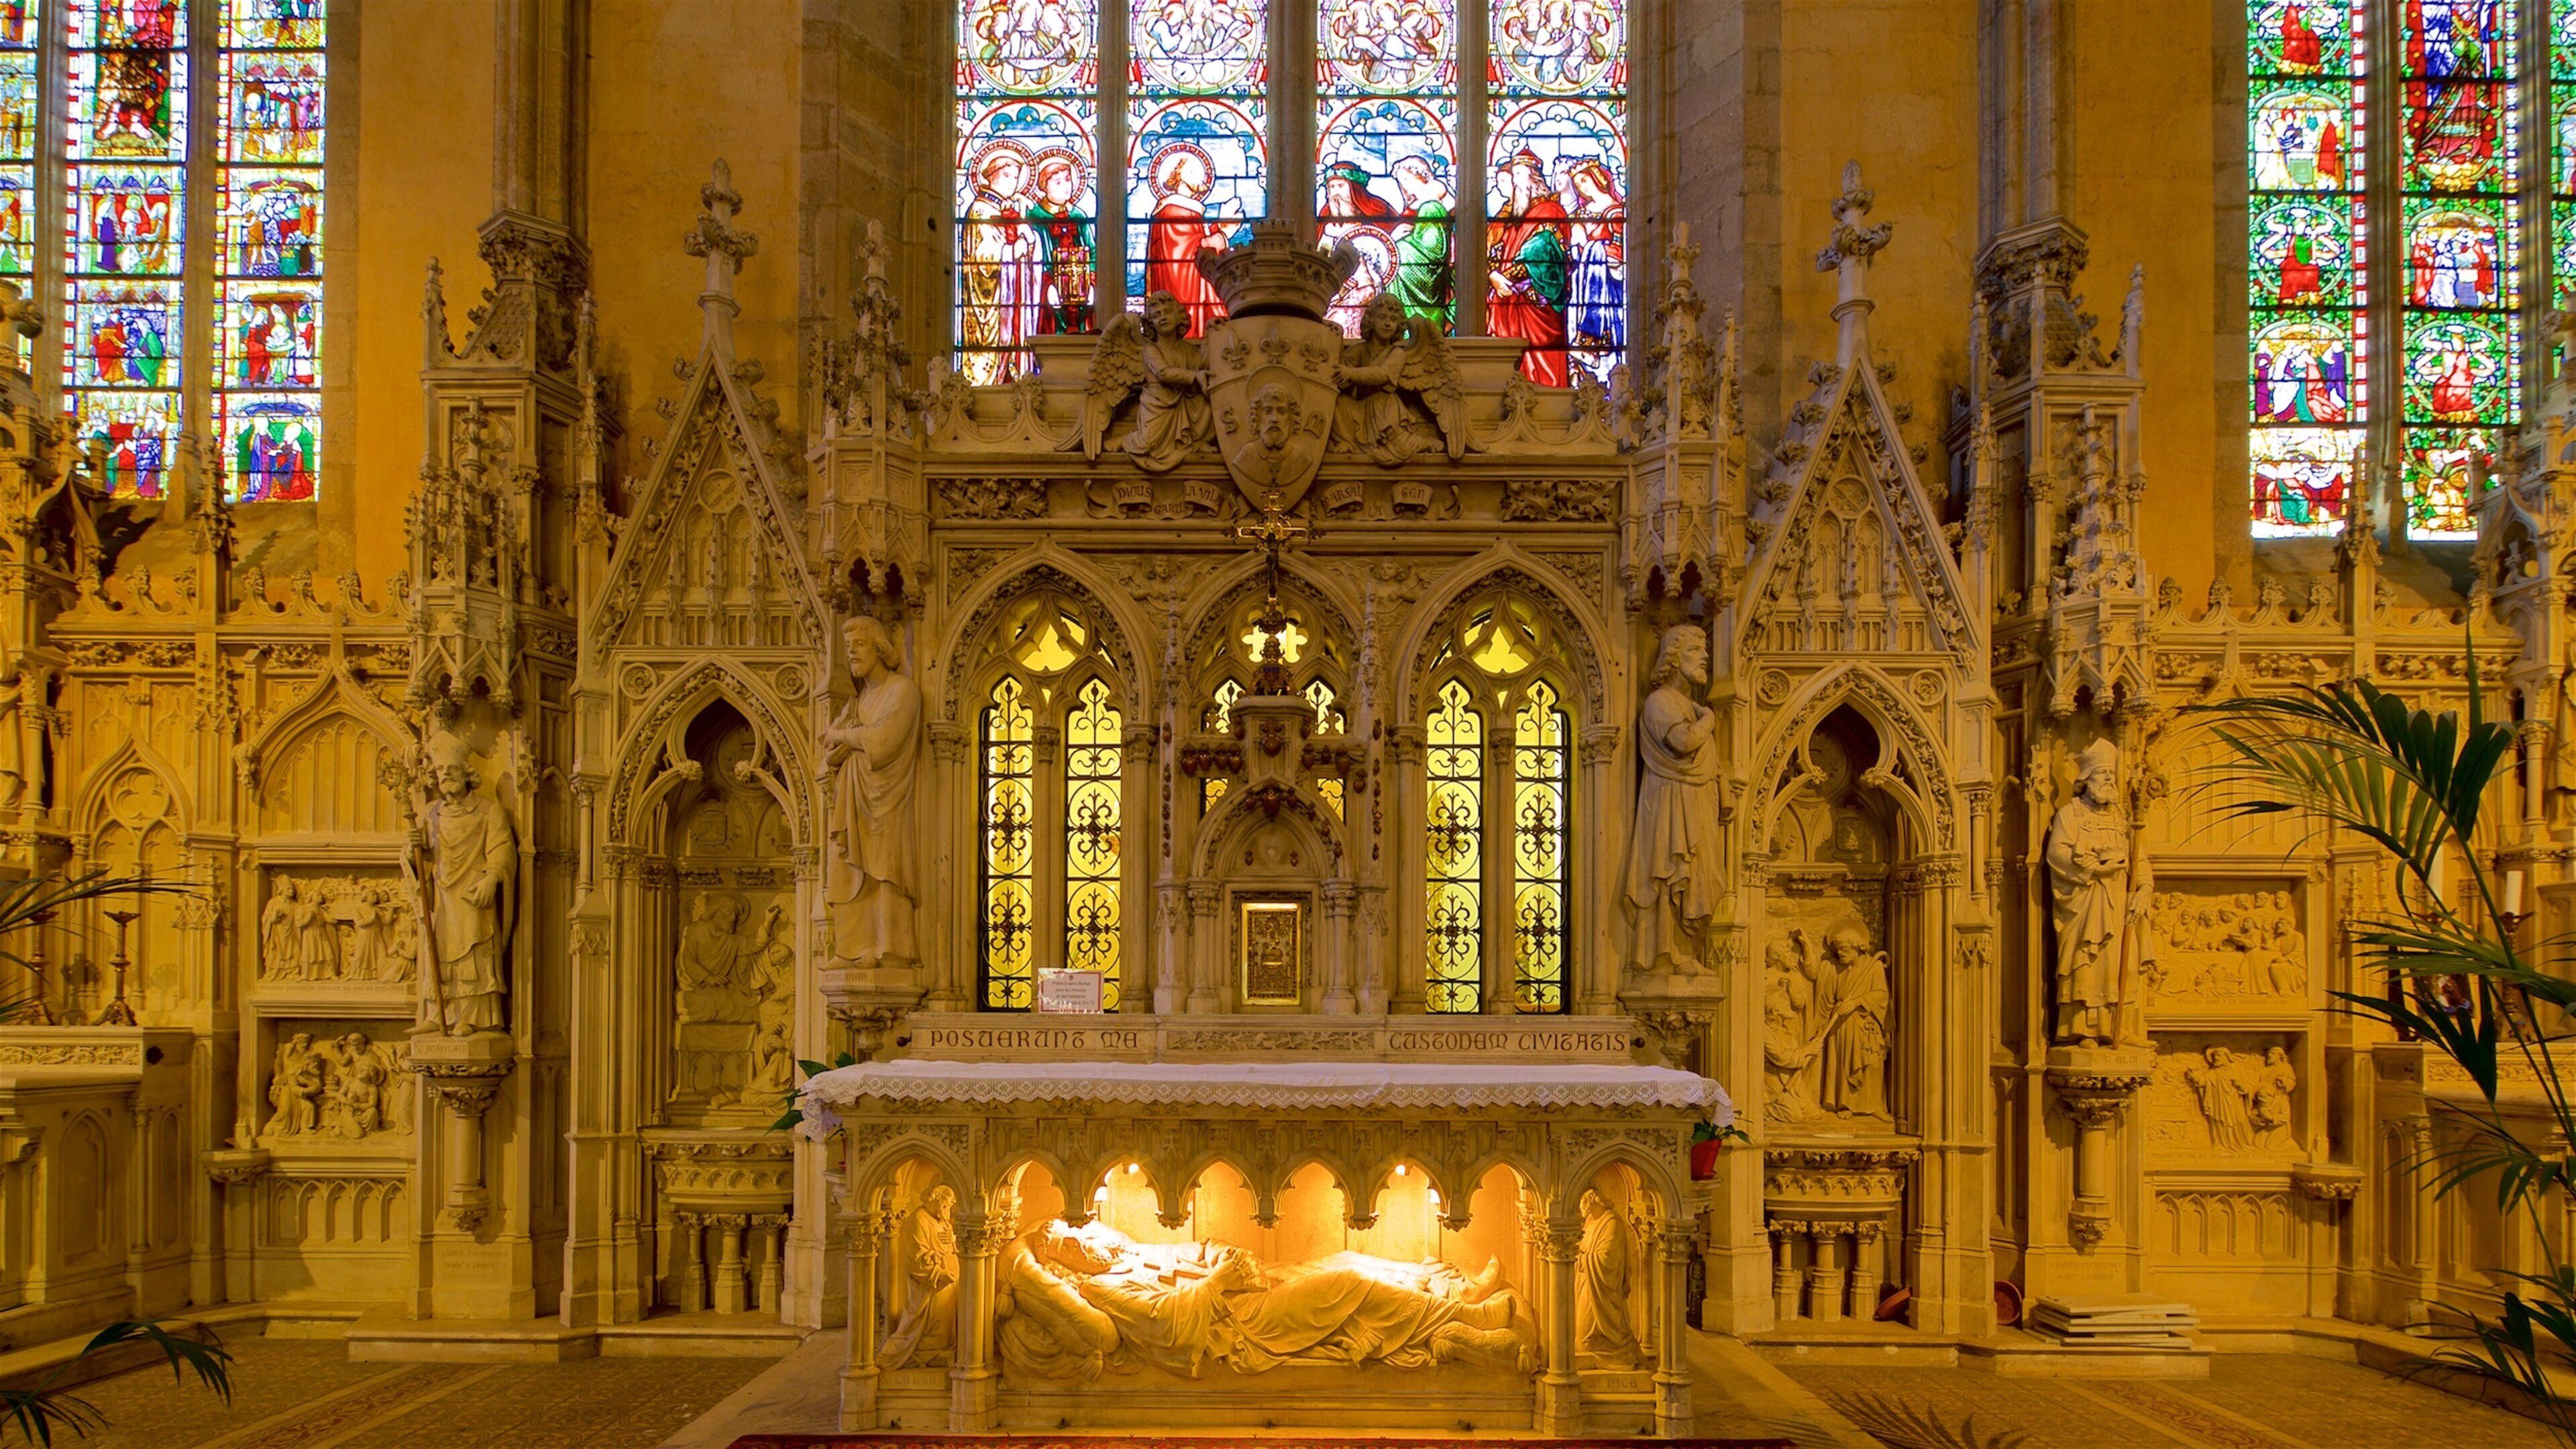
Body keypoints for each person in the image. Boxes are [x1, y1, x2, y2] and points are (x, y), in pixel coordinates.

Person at [1623, 627, 1724, 977]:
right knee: (1671, 873)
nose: (1705, 657)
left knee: (1706, 879)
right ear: (1673, 657)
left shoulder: (1688, 705)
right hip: (1669, 801)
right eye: (1696, 650)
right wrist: (1709, 720)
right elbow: (1682, 742)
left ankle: (1686, 953)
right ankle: (1667, 956)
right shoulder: (1661, 701)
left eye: (1705, 650)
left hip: (1695, 801)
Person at [824, 616, 922, 969]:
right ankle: (851, 949)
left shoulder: (902, 691)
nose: (852, 652)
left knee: (883, 870)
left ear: (880, 648)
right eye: (848, 648)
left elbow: (883, 740)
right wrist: (844, 741)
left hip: (887, 800)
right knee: (849, 867)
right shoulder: (859, 700)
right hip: (853, 796)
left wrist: (846, 738)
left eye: (860, 645)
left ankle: (886, 951)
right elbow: (830, 747)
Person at [2043, 739, 2150, 1046]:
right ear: (2086, 779)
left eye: (2111, 776)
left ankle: (2122, 1028)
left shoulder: (2121, 818)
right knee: (2087, 964)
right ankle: (2083, 1031)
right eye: (2102, 775)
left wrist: (2143, 888)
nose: (2108, 781)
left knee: (2123, 965)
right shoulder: (2070, 814)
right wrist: (2093, 868)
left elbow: (2140, 857)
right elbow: (2057, 854)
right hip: (2088, 900)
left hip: (2119, 901)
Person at [415, 730, 517, 1036]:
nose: (445, 775)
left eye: (451, 769)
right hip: (442, 893)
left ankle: (473, 1018)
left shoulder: (488, 811)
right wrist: (411, 850)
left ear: (466, 773)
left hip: (472, 893)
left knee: (473, 948)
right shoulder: (430, 814)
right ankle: (439, 1014)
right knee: (439, 947)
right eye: (439, 771)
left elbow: (502, 848)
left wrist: (491, 877)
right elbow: (419, 857)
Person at [1487, 147, 1570, 386]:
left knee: (1543, 364)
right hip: (1508, 305)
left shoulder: (1550, 211)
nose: (1513, 184)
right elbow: (1496, 252)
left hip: (1537, 307)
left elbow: (1543, 254)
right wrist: (1493, 275)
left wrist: (1506, 277)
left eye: (1517, 177)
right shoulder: (1515, 216)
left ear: (1532, 179)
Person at [1142, 143, 1232, 339]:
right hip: (1181, 288)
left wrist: (1220, 227)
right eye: (1192, 170)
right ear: (1179, 174)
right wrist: (1222, 236)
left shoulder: (1190, 209)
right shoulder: (1173, 210)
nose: (1199, 177)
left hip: (1188, 283)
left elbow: (1197, 242)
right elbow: (1185, 251)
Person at [1387, 154, 1454, 330]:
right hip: (1410, 280)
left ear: (1420, 176)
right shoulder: (1414, 207)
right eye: (1402, 181)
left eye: (1406, 179)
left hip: (1427, 277)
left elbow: (1432, 250)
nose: (1404, 186)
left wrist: (1396, 247)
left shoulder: (1431, 205)